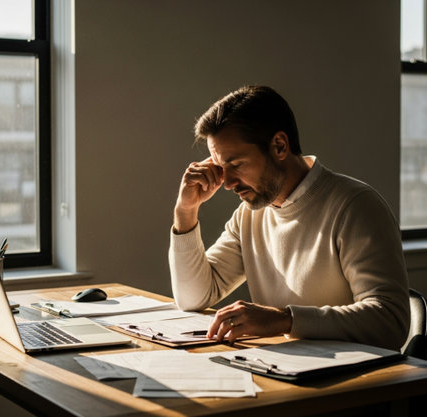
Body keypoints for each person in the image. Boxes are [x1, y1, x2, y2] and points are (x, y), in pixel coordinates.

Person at [169, 85, 409, 351]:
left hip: (354, 384)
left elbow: (390, 322)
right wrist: (186, 211)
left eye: (235, 165)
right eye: (221, 167)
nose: (227, 183)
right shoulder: (249, 216)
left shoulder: (355, 206)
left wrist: (286, 320)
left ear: (279, 146)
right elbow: (193, 297)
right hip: (283, 373)